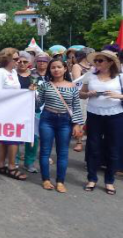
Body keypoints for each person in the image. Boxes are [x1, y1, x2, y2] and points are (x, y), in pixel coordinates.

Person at [36, 58, 84, 193]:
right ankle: (45, 179)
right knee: (45, 151)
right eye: (53, 68)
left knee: (62, 153)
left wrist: (77, 124)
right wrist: (32, 95)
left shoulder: (73, 87)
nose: (56, 70)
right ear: (49, 70)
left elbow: (76, 107)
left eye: (59, 67)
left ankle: (60, 181)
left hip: (65, 121)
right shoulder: (45, 85)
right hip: (47, 119)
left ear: (65, 69)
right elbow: (38, 105)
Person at [80, 50, 123, 195]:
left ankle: (109, 181)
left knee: (113, 148)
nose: (97, 63)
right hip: (94, 115)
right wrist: (88, 94)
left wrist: (119, 95)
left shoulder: (120, 77)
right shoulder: (90, 76)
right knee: (93, 146)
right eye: (96, 61)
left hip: (115, 116)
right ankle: (92, 178)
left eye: (100, 60)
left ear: (110, 62)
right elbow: (81, 93)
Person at [0, 48, 28, 181]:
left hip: (15, 110)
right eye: (16, 59)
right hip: (6, 111)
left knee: (6, 140)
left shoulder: (13, 72)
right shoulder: (0, 72)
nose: (18, 62)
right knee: (12, 140)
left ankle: (0, 164)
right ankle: (12, 166)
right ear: (7, 59)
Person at [16, 51, 38, 173]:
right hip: (15, 110)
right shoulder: (12, 75)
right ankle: (15, 160)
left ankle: (29, 162)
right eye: (20, 61)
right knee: (15, 135)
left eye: (25, 62)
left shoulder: (34, 76)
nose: (22, 64)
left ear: (29, 63)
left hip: (31, 110)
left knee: (33, 137)